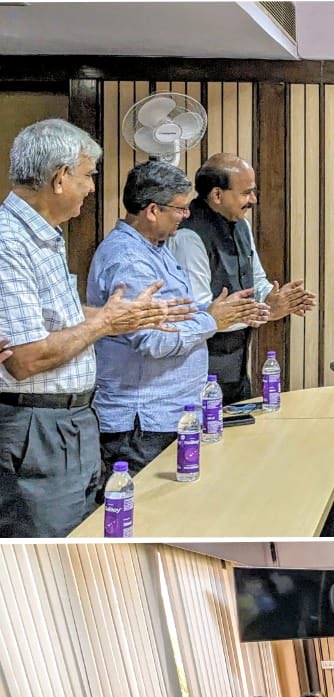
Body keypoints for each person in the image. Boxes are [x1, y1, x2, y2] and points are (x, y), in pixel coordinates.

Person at [0, 119, 190, 537]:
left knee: (87, 532)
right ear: (60, 177)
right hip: (37, 428)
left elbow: (56, 317)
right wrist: (108, 321)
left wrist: (127, 314)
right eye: (87, 176)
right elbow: (26, 358)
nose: (91, 187)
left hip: (72, 421)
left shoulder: (44, 237)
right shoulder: (8, 242)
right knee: (52, 549)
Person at [88, 160, 268, 477]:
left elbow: (180, 317)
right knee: (149, 518)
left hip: (168, 415)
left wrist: (211, 316)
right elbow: (153, 340)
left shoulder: (156, 250)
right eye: (180, 209)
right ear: (153, 210)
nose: (186, 216)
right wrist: (212, 320)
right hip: (142, 423)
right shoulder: (128, 260)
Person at [169, 153, 315, 404]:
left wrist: (274, 297)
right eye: (246, 193)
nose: (254, 200)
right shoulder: (188, 237)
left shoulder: (241, 224)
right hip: (199, 369)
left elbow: (256, 279)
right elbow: (200, 312)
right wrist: (265, 311)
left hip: (236, 365)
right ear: (217, 195)